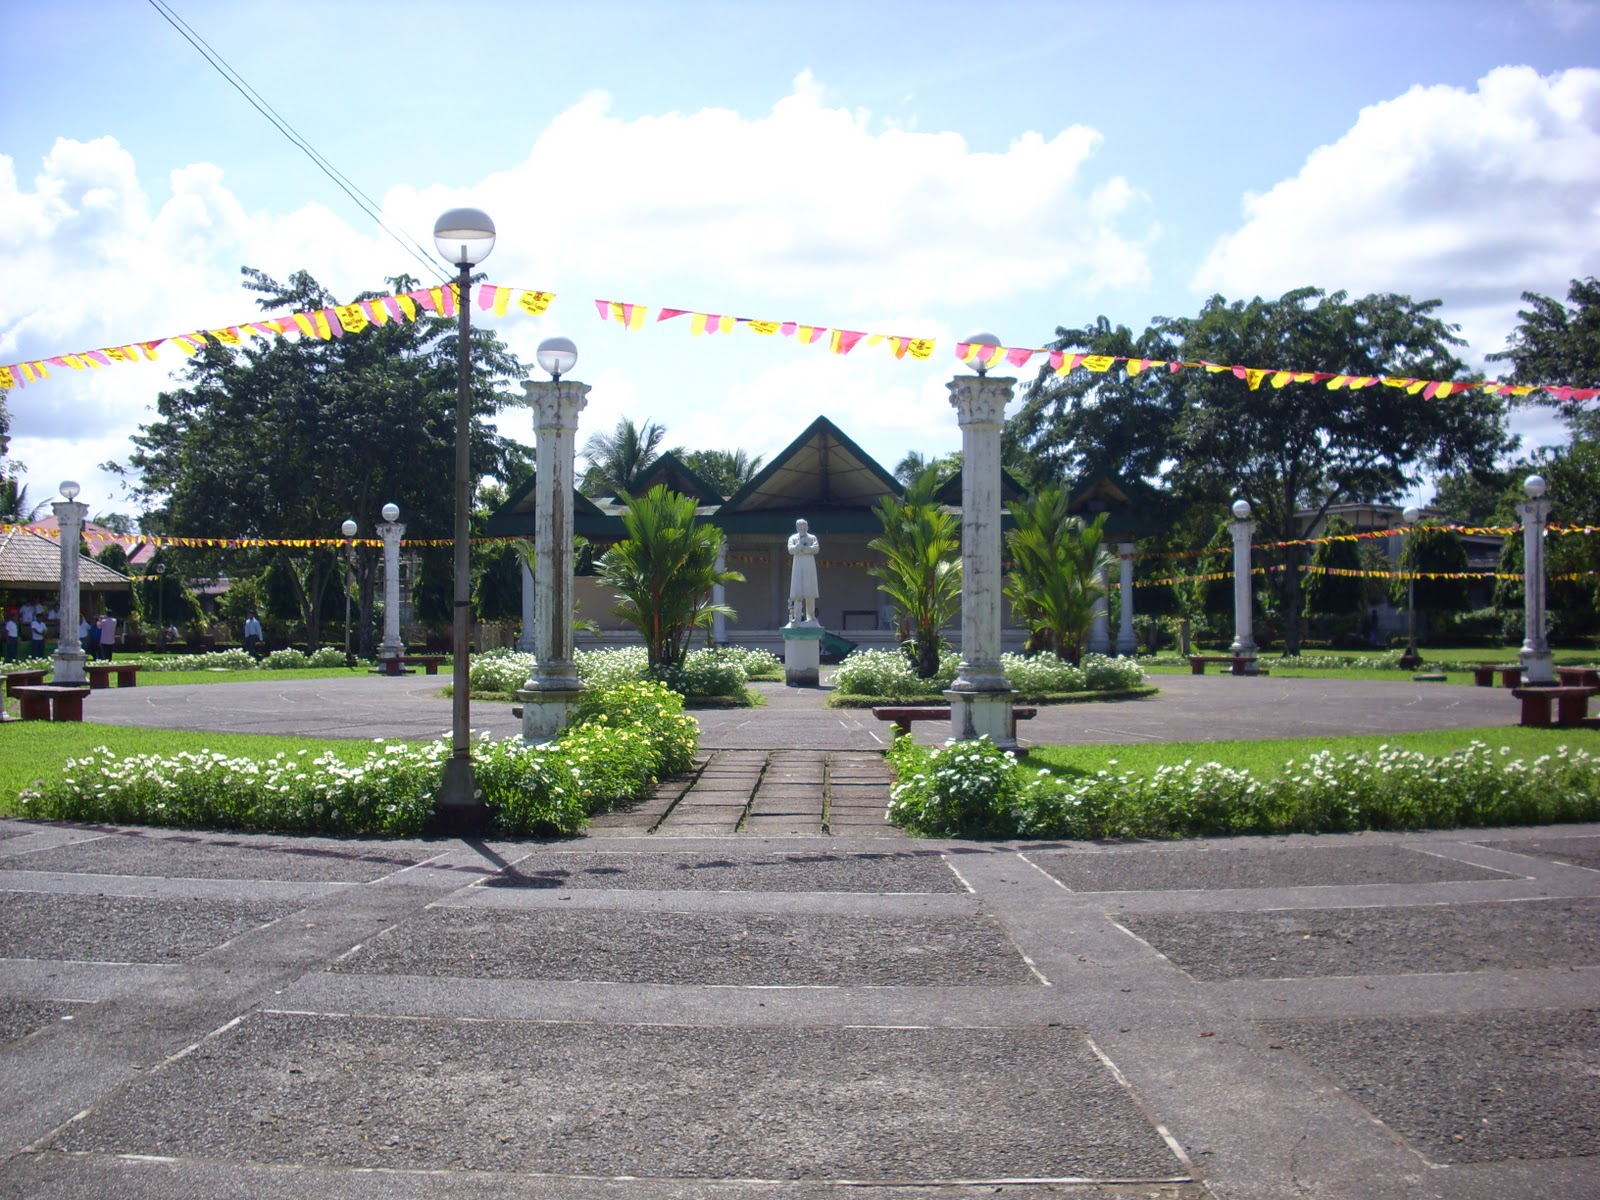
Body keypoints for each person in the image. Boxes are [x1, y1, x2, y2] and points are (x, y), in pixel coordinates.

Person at [787, 518, 820, 624]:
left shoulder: (812, 538)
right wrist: (800, 545)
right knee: (797, 593)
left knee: (810, 592)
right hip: (797, 566)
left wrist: (805, 550)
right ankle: (797, 617)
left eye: (805, 526)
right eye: (801, 527)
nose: (804, 528)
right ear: (797, 528)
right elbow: (791, 550)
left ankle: (811, 617)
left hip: (809, 566)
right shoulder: (792, 538)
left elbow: (816, 549)